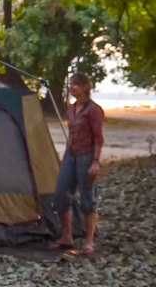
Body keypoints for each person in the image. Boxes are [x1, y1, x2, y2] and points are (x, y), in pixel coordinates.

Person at [50, 72, 104, 255]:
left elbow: (98, 138)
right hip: (70, 155)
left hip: (87, 157)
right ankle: (67, 237)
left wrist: (95, 162)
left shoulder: (94, 110)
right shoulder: (70, 109)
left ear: (85, 87)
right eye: (71, 84)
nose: (71, 87)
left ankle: (89, 242)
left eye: (76, 85)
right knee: (61, 195)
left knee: (88, 200)